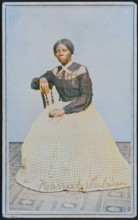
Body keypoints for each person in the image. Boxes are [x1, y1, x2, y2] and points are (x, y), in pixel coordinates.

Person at [16, 39, 130, 192]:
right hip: (60, 105)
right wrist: (43, 78)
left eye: (64, 50)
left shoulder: (81, 70)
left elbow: (86, 97)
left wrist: (65, 110)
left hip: (79, 108)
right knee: (41, 134)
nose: (60, 53)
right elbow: (36, 83)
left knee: (78, 138)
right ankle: (57, 173)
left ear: (71, 51)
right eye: (57, 51)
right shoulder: (55, 71)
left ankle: (76, 174)